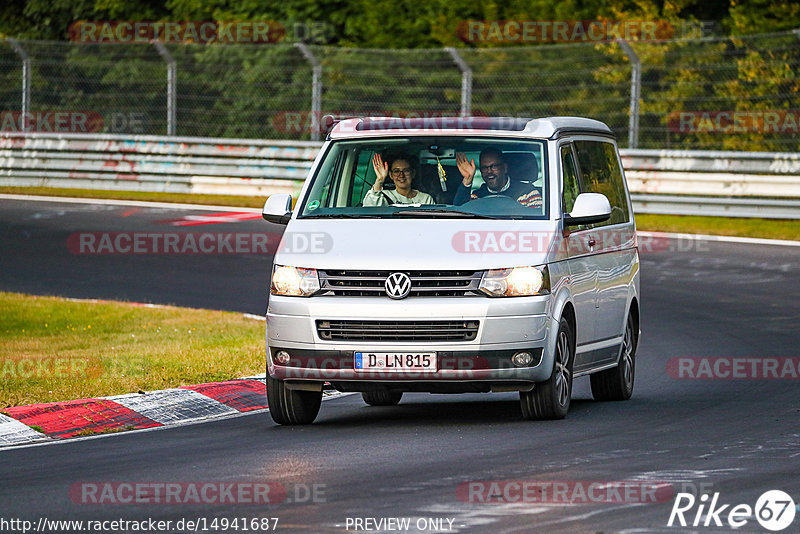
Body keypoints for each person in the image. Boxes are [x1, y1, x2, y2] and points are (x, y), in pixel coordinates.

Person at [453, 148, 542, 208]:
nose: (489, 171)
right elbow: (460, 213)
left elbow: (537, 226)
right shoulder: (477, 197)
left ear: (504, 168)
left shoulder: (529, 194)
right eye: (484, 168)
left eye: (494, 166)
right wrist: (467, 179)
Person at [363, 153, 434, 206]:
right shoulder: (384, 196)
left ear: (413, 173)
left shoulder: (426, 199)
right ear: (391, 175)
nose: (401, 175)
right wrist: (379, 180)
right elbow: (369, 210)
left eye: (406, 170)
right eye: (396, 171)